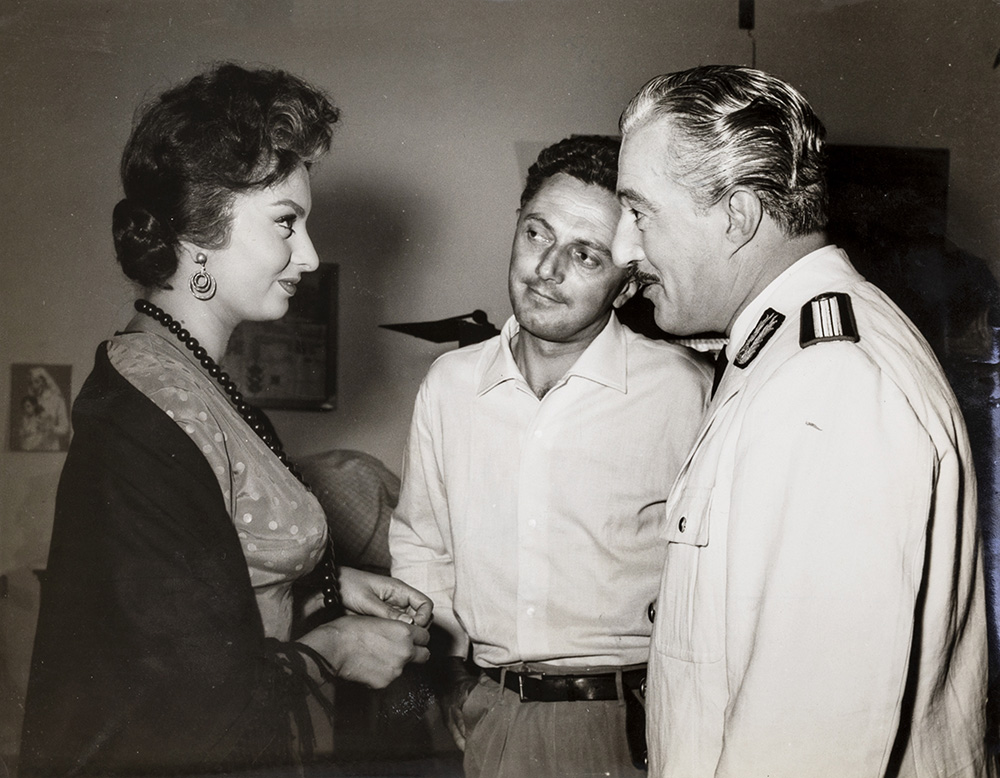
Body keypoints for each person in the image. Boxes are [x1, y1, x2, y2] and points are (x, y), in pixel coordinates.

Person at [19, 63, 432, 777]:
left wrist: (330, 588)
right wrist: (333, 649)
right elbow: (168, 691)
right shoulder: (146, 407)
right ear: (200, 231)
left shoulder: (186, 377)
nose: (309, 255)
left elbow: (208, 577)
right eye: (286, 223)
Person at [612, 64, 989, 777]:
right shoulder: (780, 352)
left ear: (738, 215)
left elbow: (809, 745)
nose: (623, 249)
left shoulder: (828, 382)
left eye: (640, 212)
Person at [389, 134, 712, 777]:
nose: (548, 269)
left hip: (632, 721)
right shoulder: (451, 385)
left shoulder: (682, 390)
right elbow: (424, 544)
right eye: (537, 234)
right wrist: (449, 679)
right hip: (493, 711)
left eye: (586, 254)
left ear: (626, 284)